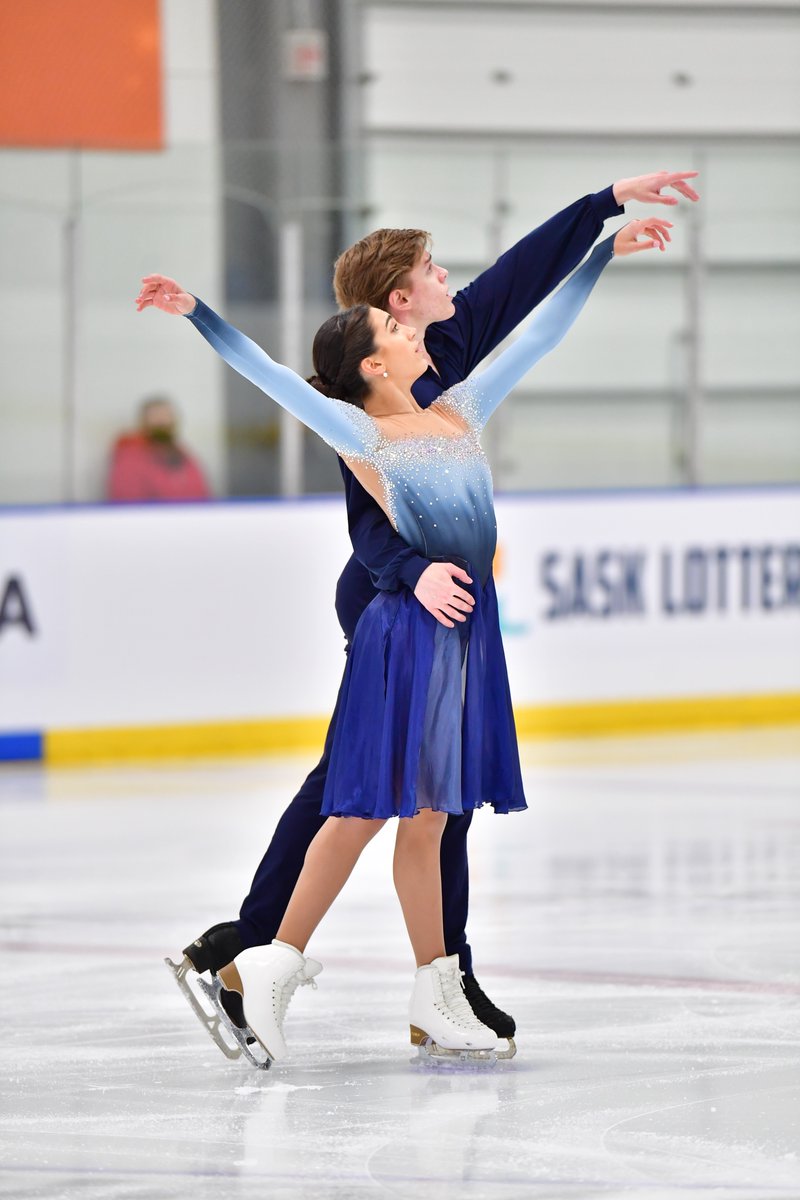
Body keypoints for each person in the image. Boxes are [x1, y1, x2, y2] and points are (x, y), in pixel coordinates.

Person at [137, 212, 674, 1063]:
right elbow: (271, 375)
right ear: (374, 365)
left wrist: (603, 251)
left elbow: (539, 334)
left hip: (464, 633)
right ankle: (270, 960)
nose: (418, 331)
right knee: (362, 806)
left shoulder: (459, 409)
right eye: (396, 329)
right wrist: (199, 312)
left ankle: (425, 984)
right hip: (405, 630)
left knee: (432, 814)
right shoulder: (364, 434)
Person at [107, 395, 211, 502]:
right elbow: (128, 502)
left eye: (167, 416)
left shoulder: (183, 453)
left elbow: (201, 491)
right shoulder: (130, 455)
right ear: (143, 422)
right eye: (156, 417)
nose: (163, 421)